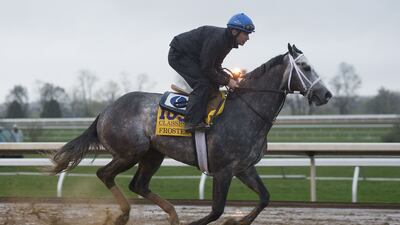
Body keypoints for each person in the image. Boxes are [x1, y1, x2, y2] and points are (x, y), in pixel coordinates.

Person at [168, 13, 255, 132]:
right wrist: (227, 81)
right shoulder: (218, 40)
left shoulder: (228, 42)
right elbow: (207, 68)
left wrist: (229, 78)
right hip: (179, 55)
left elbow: (216, 66)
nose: (248, 38)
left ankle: (206, 115)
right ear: (235, 31)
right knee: (202, 83)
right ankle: (191, 122)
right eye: (246, 34)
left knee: (214, 84)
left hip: (193, 57)